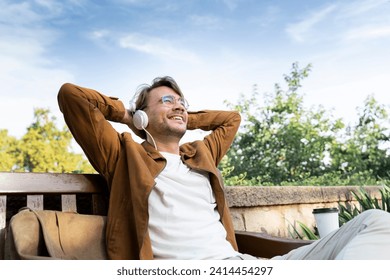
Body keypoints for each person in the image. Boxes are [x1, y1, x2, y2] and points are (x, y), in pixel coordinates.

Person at [58, 76, 390, 260]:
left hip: (247, 266)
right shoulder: (123, 155)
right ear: (143, 114)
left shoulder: (200, 153)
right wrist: (131, 118)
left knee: (376, 221)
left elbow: (231, 119)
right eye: (166, 100)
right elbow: (72, 97)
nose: (179, 106)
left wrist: (181, 117)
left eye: (182, 102)